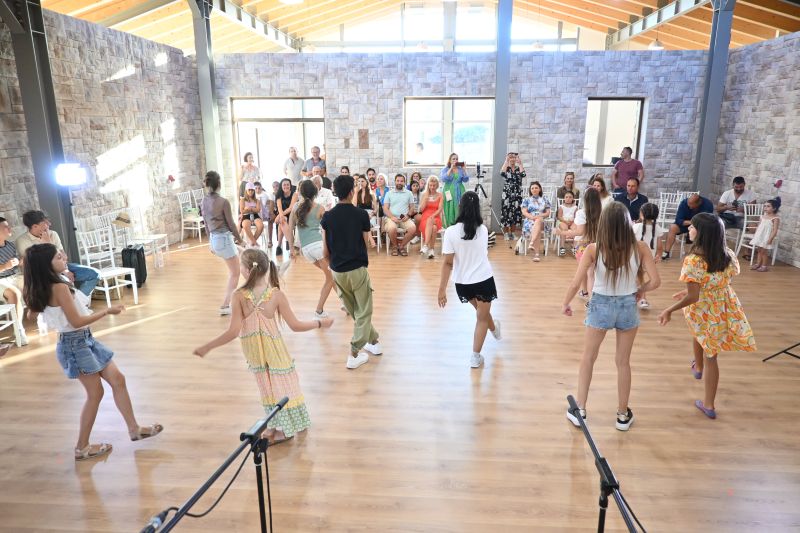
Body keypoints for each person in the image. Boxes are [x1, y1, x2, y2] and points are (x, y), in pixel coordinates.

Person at [23, 243, 163, 460]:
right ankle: (82, 447)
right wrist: (106, 311)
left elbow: (33, 313)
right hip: (74, 345)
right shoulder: (58, 287)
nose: (64, 257)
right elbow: (77, 321)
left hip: (84, 340)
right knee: (95, 394)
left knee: (118, 379)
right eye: (58, 257)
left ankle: (134, 429)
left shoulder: (47, 285)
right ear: (46, 265)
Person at [193, 249, 333, 444]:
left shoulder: (239, 296)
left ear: (246, 270)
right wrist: (319, 323)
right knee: (281, 387)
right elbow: (296, 325)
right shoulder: (275, 295)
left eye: (241, 266)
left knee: (268, 389)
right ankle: (276, 425)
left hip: (256, 353)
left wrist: (208, 346)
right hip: (274, 351)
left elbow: (233, 332)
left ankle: (285, 430)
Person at [562, 202, 660, 431]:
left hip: (600, 305)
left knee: (588, 358)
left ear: (604, 224)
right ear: (627, 223)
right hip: (627, 305)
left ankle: (580, 410)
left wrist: (565, 303)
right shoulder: (640, 247)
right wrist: (640, 291)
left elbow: (576, 283)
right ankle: (622, 415)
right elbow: (656, 281)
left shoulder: (594, 249)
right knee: (623, 362)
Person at [657, 213, 756, 419]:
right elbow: (719, 280)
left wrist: (669, 309)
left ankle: (709, 404)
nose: (689, 229)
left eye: (692, 227)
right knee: (703, 337)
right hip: (723, 307)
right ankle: (698, 365)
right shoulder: (727, 254)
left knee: (710, 351)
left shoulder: (693, 260)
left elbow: (693, 297)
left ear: (702, 233)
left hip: (704, 309)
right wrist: (691, 291)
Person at [320, 175, 381, 370]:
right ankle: (354, 353)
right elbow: (365, 243)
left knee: (356, 310)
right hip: (357, 269)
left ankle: (373, 341)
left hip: (337, 271)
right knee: (364, 310)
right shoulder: (361, 215)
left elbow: (325, 251)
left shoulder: (327, 217)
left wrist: (333, 265)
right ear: (351, 192)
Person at [438, 191, 501, 369]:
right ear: (477, 208)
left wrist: (441, 290)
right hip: (483, 280)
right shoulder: (484, 230)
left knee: (481, 314)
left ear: (460, 207)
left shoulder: (450, 232)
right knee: (482, 316)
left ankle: (494, 329)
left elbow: (448, 263)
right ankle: (475, 356)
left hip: (463, 284)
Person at [16, 210, 99, 298]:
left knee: (94, 274)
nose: (49, 224)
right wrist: (48, 244)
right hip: (43, 274)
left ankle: (78, 299)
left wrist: (65, 270)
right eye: (45, 223)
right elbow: (35, 264)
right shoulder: (22, 241)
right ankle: (74, 301)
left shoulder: (53, 234)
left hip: (61, 267)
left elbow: (63, 257)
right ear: (35, 226)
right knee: (64, 283)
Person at [288, 181, 334, 318]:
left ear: (301, 193)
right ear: (316, 193)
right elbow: (329, 229)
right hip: (319, 247)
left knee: (332, 276)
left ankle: (346, 303)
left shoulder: (295, 207)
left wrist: (291, 249)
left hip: (306, 250)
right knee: (331, 278)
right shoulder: (320, 208)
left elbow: (290, 230)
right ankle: (319, 311)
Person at [201, 171, 243, 316]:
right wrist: (240, 239)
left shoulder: (204, 201)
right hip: (224, 240)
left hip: (215, 239)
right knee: (235, 273)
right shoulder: (223, 202)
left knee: (244, 253)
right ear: (219, 183)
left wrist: (210, 243)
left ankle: (260, 279)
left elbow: (206, 224)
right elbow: (231, 225)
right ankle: (225, 305)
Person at [556, 188, 602, 301]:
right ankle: (588, 293)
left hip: (583, 246)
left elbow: (579, 232)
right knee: (592, 273)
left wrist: (562, 232)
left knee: (586, 271)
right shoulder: (604, 212)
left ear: (585, 199)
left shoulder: (582, 213)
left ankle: (588, 295)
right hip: (599, 245)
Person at [0, 217, 27, 345]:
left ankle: (47, 318)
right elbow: (6, 266)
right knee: (14, 293)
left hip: (14, 276)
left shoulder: (10, 245)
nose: (9, 228)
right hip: (1, 280)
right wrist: (5, 266)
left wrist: (20, 261)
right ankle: (19, 329)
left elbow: (16, 263)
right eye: (5, 226)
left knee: (36, 283)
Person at [662, 193, 714, 260]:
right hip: (685, 225)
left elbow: (707, 221)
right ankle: (666, 252)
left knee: (708, 229)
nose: (689, 206)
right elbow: (678, 220)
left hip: (699, 227)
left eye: (691, 204)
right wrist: (692, 222)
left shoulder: (708, 205)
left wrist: (695, 224)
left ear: (698, 203)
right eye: (688, 203)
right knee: (672, 227)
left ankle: (703, 253)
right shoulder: (684, 203)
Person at [632, 202, 664, 309]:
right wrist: (658, 255)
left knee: (637, 278)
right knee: (640, 278)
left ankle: (640, 298)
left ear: (641, 214)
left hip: (635, 257)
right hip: (650, 259)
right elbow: (660, 247)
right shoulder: (658, 228)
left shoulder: (636, 226)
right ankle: (641, 298)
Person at [383, 174, 417, 256]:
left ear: (404, 182)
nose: (399, 182)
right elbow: (385, 208)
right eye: (398, 181)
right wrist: (392, 217)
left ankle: (401, 247)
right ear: (395, 182)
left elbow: (412, 207)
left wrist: (408, 215)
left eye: (401, 181)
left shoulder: (409, 193)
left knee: (413, 228)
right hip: (392, 218)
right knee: (392, 228)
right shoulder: (389, 193)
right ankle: (395, 246)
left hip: (404, 218)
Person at [520, 181, 551, 262]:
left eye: (536, 188)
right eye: (532, 188)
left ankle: (532, 242)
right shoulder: (526, 200)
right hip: (529, 220)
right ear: (530, 190)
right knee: (537, 226)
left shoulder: (545, 199)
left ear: (539, 189)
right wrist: (532, 217)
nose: (534, 189)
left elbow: (548, 213)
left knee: (539, 221)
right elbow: (524, 212)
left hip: (542, 219)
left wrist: (540, 215)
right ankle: (536, 254)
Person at [748, 197, 781, 272]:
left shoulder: (775, 218)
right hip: (760, 236)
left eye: (768, 206)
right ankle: (758, 263)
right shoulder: (762, 216)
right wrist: (756, 235)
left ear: (774, 208)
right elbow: (759, 226)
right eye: (765, 206)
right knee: (759, 250)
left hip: (766, 237)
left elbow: (775, 230)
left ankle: (764, 266)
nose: (765, 208)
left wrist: (770, 239)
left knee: (764, 251)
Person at [500, 152, 525, 242]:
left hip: (517, 194)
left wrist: (520, 163)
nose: (512, 159)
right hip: (507, 194)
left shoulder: (518, 168)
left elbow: (523, 175)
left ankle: (513, 233)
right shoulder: (506, 168)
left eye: (514, 157)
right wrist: (506, 161)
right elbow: (502, 173)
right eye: (511, 157)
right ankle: (506, 234)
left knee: (515, 213)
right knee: (506, 213)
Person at [440, 153, 469, 227]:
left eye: (456, 159)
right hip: (449, 191)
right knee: (450, 208)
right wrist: (450, 169)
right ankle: (450, 227)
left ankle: (460, 225)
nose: (455, 160)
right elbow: (443, 179)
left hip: (460, 190)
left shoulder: (460, 169)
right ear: (450, 160)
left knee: (460, 207)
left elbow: (466, 179)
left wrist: (464, 170)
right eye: (453, 159)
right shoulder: (445, 169)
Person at [419, 175, 444, 260]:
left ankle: (425, 245)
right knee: (433, 228)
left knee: (431, 220)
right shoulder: (424, 195)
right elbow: (421, 210)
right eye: (430, 185)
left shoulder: (440, 195)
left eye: (434, 185)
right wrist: (425, 200)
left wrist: (433, 215)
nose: (432, 187)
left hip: (436, 217)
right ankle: (431, 250)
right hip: (425, 218)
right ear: (428, 185)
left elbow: (440, 209)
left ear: (437, 185)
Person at [274, 178, 298, 256]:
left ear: (290, 186)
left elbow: (291, 208)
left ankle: (279, 246)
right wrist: (281, 216)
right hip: (283, 215)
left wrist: (279, 216)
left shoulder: (294, 194)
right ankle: (291, 248)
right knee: (283, 221)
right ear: (281, 186)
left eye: (288, 185)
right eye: (284, 185)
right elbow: (279, 208)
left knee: (282, 222)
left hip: (293, 214)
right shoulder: (279, 195)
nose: (286, 186)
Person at [239, 183, 264, 248]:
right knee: (245, 225)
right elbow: (242, 211)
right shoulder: (242, 200)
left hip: (255, 215)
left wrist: (249, 208)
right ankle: (255, 242)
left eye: (252, 190)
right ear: (246, 191)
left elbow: (258, 210)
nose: (250, 191)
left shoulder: (257, 200)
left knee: (261, 226)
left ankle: (252, 242)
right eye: (249, 190)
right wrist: (252, 209)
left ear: (254, 191)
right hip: (246, 215)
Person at [556, 191, 578, 256]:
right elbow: (559, 217)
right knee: (564, 229)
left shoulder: (575, 207)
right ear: (564, 198)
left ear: (573, 198)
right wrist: (565, 221)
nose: (568, 198)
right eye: (566, 197)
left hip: (572, 221)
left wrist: (572, 221)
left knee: (576, 229)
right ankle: (562, 247)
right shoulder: (561, 206)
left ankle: (574, 246)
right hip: (562, 221)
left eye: (570, 197)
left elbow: (576, 217)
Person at [254, 181, 274, 248]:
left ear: (261, 188)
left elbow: (270, 203)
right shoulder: (253, 195)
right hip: (256, 214)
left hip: (264, 213)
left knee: (271, 220)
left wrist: (270, 211)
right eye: (256, 188)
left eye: (259, 188)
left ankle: (270, 240)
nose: (257, 190)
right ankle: (253, 240)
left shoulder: (265, 194)